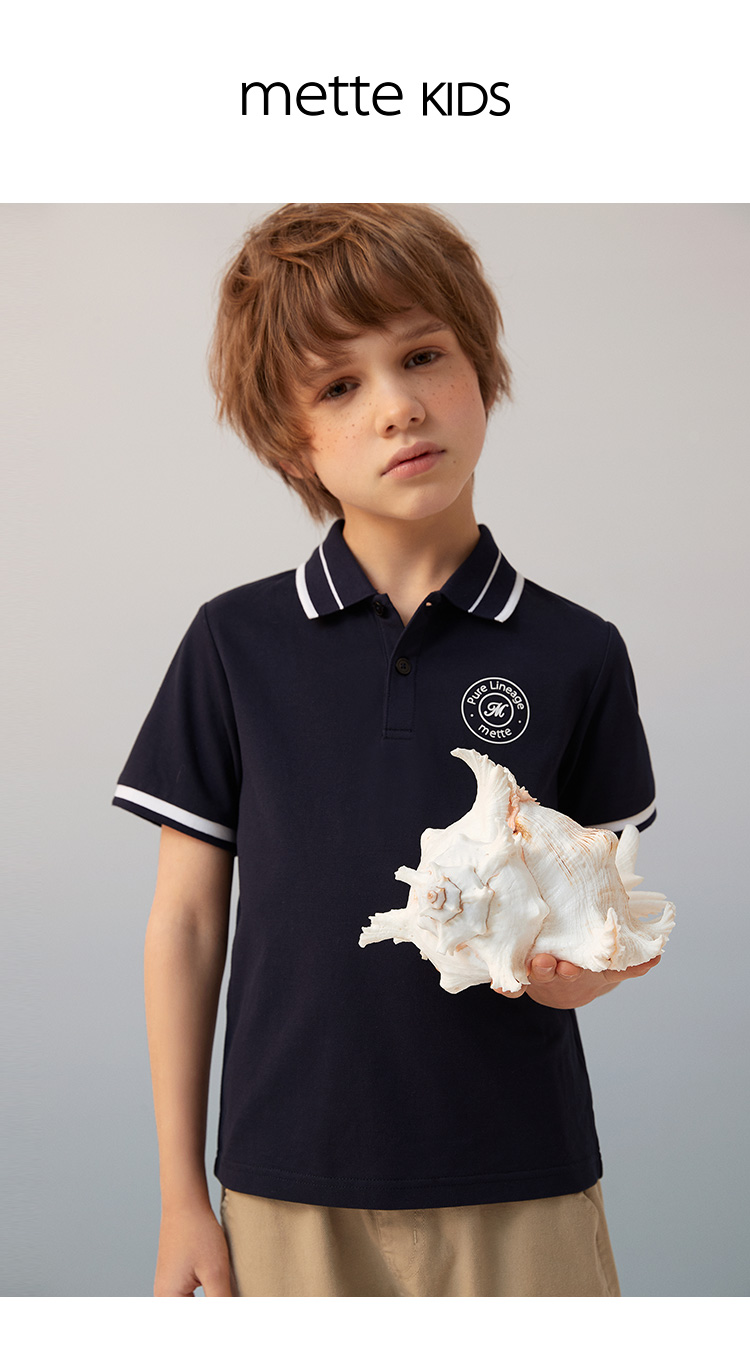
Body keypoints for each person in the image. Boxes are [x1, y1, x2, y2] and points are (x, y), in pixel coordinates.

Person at [113, 203, 661, 1297]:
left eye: (422, 356)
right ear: (292, 439)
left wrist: (580, 979)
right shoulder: (234, 643)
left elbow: (609, 913)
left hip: (522, 1178)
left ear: (481, 369)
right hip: (284, 1184)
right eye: (338, 386)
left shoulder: (578, 651)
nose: (398, 406)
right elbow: (185, 925)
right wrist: (181, 1196)